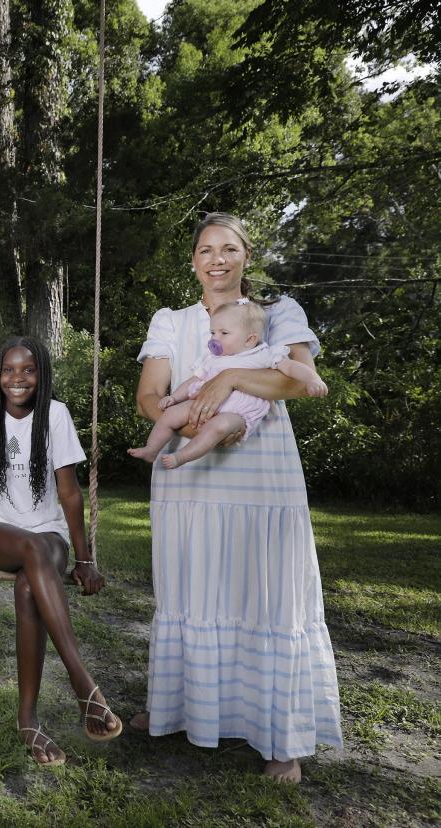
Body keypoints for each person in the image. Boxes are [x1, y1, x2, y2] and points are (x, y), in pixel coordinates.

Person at [132, 212, 343, 783]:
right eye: (205, 249)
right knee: (191, 588)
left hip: (263, 483)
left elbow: (297, 380)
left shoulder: (277, 314)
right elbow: (150, 394)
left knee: (267, 595)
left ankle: (282, 738)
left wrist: (226, 381)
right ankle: (181, 707)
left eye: (228, 248)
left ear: (246, 256)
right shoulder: (171, 321)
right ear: (194, 260)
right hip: (189, 480)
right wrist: (181, 413)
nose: (217, 259)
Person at [0, 337, 121, 767]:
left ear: (41, 374)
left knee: (29, 583)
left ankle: (28, 719)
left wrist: (85, 558)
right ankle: (83, 685)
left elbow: (69, 492)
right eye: (8, 370)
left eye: (27, 370)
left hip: (49, 534)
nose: (16, 379)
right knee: (29, 547)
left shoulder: (54, 415)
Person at [128, 299, 327, 468]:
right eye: (212, 332)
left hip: (238, 413)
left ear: (249, 339)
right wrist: (174, 397)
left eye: (223, 333)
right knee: (171, 414)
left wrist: (312, 378)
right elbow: (194, 380)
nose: (215, 338)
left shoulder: (262, 354)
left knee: (218, 427)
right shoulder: (213, 359)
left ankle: (181, 457)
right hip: (202, 403)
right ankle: (152, 449)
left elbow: (292, 368)